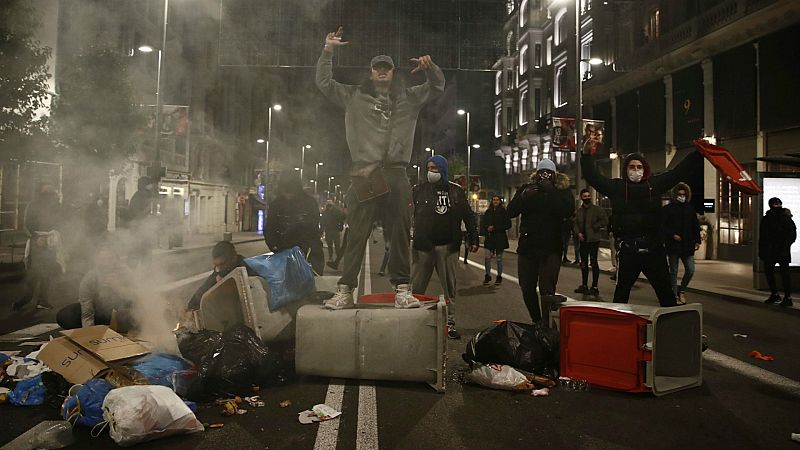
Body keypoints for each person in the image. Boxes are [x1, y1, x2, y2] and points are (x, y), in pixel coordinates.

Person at [316, 26, 445, 309]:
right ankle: (345, 289)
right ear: (371, 72)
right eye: (378, 68)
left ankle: (402, 289)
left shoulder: (409, 97)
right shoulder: (353, 96)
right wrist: (328, 51)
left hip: (397, 172)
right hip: (365, 173)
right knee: (357, 233)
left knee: (400, 231)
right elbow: (324, 83)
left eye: (387, 68)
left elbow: (437, 87)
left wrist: (430, 68)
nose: (382, 72)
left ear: (393, 72)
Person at [581, 143, 704, 306]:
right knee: (621, 296)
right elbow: (594, 178)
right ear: (626, 169)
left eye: (639, 166)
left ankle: (670, 328)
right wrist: (586, 155)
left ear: (645, 169)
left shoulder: (654, 185)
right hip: (629, 250)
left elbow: (677, 173)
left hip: (654, 249)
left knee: (666, 294)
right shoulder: (617, 187)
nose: (636, 170)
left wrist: (698, 153)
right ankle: (619, 329)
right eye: (632, 167)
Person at [411, 156, 478, 338]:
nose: (430, 172)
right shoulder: (419, 190)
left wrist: (473, 238)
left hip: (447, 247)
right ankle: (412, 320)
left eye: (434, 168)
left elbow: (469, 216)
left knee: (449, 287)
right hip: (423, 247)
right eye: (429, 168)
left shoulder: (456, 192)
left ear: (442, 170)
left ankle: (450, 322)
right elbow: (408, 214)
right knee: (416, 287)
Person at [508, 158, 574, 323]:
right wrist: (523, 197)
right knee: (527, 286)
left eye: (549, 173)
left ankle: (547, 323)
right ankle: (536, 320)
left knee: (547, 290)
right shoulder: (527, 189)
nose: (545, 175)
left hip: (551, 247)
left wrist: (551, 192)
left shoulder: (562, 191)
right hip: (528, 247)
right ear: (536, 174)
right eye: (542, 172)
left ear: (554, 175)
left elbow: (567, 211)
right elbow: (511, 211)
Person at [56, 242, 136, 331]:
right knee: (65, 316)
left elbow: (138, 298)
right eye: (102, 259)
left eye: (109, 259)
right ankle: (105, 327)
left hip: (121, 312)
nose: (106, 263)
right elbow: (87, 312)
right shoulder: (90, 278)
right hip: (99, 313)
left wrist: (118, 288)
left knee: (135, 315)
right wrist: (90, 333)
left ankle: (114, 327)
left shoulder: (125, 272)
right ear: (97, 261)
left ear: (115, 259)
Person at [12, 183, 64, 311]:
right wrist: (36, 238)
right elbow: (26, 225)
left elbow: (59, 221)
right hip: (38, 242)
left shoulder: (54, 205)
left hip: (49, 241)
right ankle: (26, 298)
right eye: (47, 189)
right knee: (35, 272)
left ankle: (42, 300)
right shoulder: (33, 205)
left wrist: (54, 235)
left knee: (48, 272)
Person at [264, 171, 325, 274]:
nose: (288, 195)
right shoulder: (277, 204)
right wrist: (274, 245)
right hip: (284, 253)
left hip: (307, 253)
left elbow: (313, 227)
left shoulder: (309, 203)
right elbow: (269, 227)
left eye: (290, 191)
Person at [187, 241, 259, 311]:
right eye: (217, 265)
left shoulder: (247, 269)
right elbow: (205, 288)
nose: (219, 269)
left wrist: (227, 287)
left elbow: (254, 294)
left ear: (233, 259)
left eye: (222, 264)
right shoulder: (220, 270)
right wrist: (191, 307)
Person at [662, 182, 701, 304]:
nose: (681, 196)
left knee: (690, 270)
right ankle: (673, 295)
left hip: (687, 245)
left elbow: (695, 225)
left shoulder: (690, 208)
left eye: (683, 194)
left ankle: (682, 290)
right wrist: (672, 235)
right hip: (673, 245)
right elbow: (662, 226)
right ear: (675, 195)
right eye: (679, 194)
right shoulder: (668, 209)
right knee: (673, 271)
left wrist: (697, 240)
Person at [759, 197, 796, 307]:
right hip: (779, 251)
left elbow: (762, 237)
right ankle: (783, 296)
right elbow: (792, 235)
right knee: (782, 274)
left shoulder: (769, 218)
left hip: (774, 250)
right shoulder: (785, 218)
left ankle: (779, 295)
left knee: (775, 273)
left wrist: (762, 250)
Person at [573, 189, 608, 296]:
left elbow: (605, 221)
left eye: (588, 196)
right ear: (581, 198)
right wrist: (578, 233)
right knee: (583, 263)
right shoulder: (579, 211)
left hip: (593, 240)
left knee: (593, 262)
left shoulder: (597, 209)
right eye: (585, 196)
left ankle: (594, 286)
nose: (587, 198)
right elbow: (575, 224)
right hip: (583, 240)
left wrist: (595, 227)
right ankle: (584, 285)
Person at [480, 195, 511, 285]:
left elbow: (508, 224)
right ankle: (487, 275)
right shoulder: (488, 212)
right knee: (487, 257)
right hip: (489, 238)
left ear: (500, 201)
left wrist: (496, 228)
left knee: (499, 258)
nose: (495, 201)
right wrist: (487, 228)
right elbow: (483, 223)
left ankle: (499, 276)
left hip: (499, 237)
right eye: (494, 200)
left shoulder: (503, 212)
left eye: (497, 200)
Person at [126, 176, 156, 268]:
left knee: (144, 253)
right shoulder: (138, 197)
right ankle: (133, 273)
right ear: (144, 185)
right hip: (138, 229)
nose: (151, 186)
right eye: (149, 184)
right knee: (136, 251)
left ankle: (144, 272)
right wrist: (148, 211)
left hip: (143, 230)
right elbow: (137, 215)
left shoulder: (145, 196)